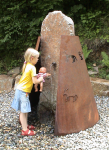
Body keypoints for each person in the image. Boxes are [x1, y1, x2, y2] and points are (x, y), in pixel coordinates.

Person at [11, 48, 43, 136]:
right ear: (32, 58)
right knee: (23, 111)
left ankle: (25, 125)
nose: (38, 60)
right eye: (37, 58)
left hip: (20, 90)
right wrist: (41, 78)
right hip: (23, 91)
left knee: (24, 111)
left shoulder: (27, 64)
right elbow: (35, 81)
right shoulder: (32, 67)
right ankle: (24, 130)